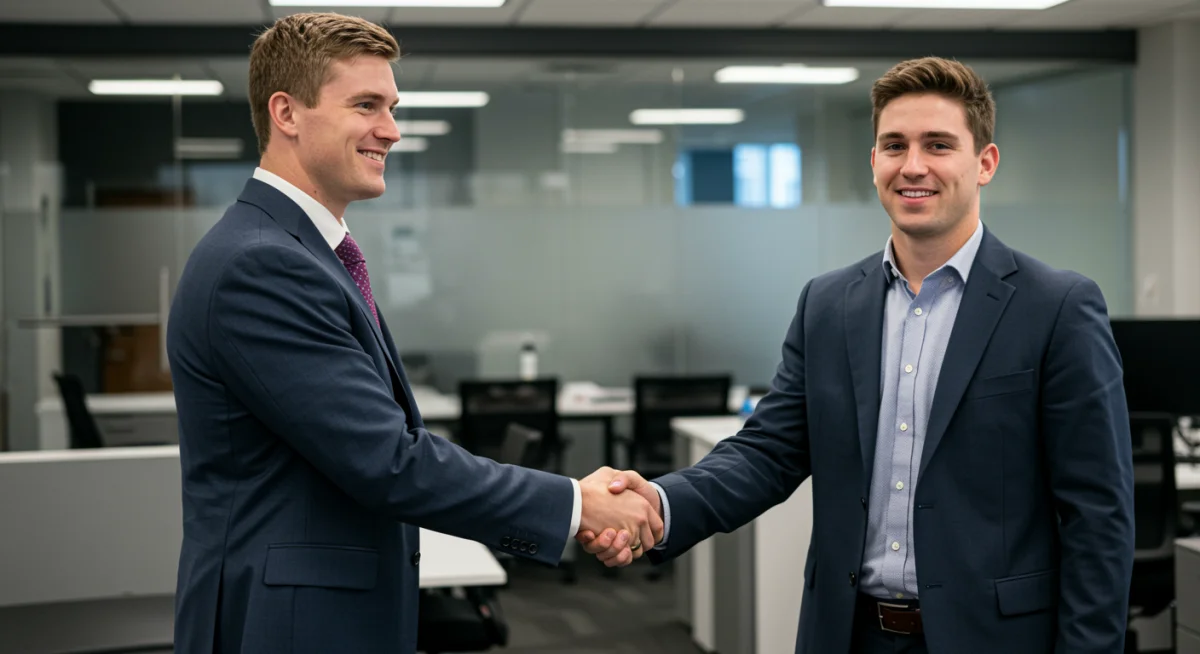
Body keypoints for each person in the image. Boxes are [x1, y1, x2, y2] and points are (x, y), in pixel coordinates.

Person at [582, 56, 1135, 653]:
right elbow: (768, 452)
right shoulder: (828, 304)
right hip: (846, 633)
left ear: (985, 163)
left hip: (993, 637)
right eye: (893, 145)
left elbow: (1098, 515)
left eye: (939, 145)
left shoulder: (1056, 306)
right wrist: (660, 504)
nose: (913, 165)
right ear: (874, 162)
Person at [167, 12, 658, 654]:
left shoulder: (301, 251)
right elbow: (387, 460)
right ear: (286, 113)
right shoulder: (262, 263)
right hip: (285, 624)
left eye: (391, 107)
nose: (391, 131)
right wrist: (574, 503)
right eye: (366, 105)